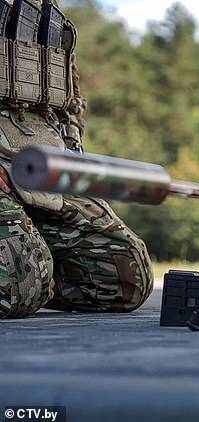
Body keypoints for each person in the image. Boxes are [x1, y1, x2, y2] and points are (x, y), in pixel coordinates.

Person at [0, 0, 153, 318]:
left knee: (126, 276)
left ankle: (36, 274)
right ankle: (30, 277)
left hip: (42, 161)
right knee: (19, 289)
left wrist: (72, 152)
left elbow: (66, 89)